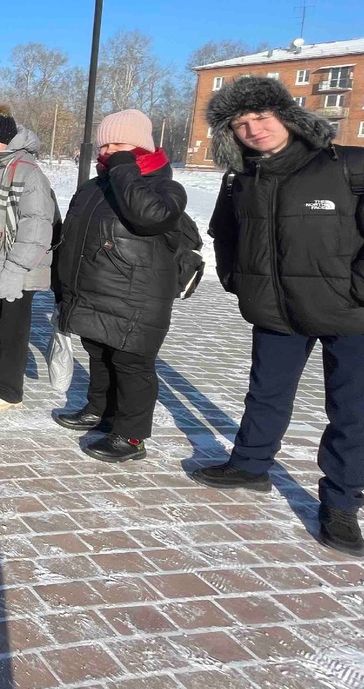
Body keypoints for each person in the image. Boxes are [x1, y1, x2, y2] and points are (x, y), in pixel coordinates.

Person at [190, 76, 364, 555]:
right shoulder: (242, 177)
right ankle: (249, 466)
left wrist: (360, 289)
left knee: (351, 410)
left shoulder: (345, 164)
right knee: (265, 394)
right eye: (241, 124)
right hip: (275, 310)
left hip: (351, 313)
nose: (254, 130)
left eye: (261, 117)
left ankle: (342, 503)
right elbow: (223, 232)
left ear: (286, 115)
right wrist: (237, 278)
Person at [54, 109, 191, 461]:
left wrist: (124, 168)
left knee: (132, 366)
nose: (111, 150)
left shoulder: (165, 188)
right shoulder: (94, 187)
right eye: (107, 144)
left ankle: (131, 437)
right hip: (95, 291)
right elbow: (74, 237)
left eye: (122, 143)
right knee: (99, 353)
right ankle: (100, 411)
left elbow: (149, 216)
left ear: (143, 146)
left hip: (137, 297)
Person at [0, 106, 57, 409]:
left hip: (17, 267)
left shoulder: (28, 173)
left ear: (10, 142)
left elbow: (38, 224)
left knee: (12, 330)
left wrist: (16, 268)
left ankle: (7, 388)